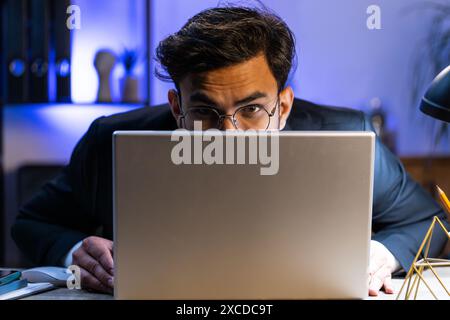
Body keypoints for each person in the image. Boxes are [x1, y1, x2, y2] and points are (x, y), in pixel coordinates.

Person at [12, 6, 449, 296]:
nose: (228, 134)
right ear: (177, 107)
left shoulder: (350, 135)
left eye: (252, 109)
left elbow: (432, 218)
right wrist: (76, 253)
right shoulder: (109, 139)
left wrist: (382, 252)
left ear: (283, 106)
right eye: (204, 111)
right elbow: (31, 221)